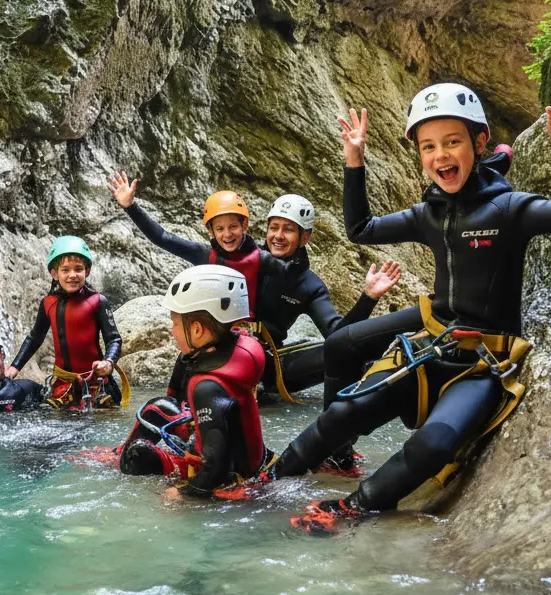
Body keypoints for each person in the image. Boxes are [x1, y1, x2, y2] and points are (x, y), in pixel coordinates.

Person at [278, 87, 551, 533]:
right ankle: (271, 478)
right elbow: (360, 229)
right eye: (428, 146)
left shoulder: (511, 209)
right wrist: (354, 159)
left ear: (479, 142)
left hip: (483, 359)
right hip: (432, 344)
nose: (441, 155)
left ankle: (351, 508)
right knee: (342, 412)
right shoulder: (429, 215)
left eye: (452, 141)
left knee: (434, 442)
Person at [118, 265, 271, 497]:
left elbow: (216, 465)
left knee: (135, 456)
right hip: (249, 458)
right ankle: (116, 453)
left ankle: (119, 458)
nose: (172, 331)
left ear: (197, 329)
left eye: (175, 324)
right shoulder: (235, 344)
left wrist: (184, 493)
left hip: (230, 477)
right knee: (158, 408)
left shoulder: (207, 387)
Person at [254, 193, 402, 400]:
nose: (278, 235)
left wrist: (368, 297)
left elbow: (337, 336)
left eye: (288, 229)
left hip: (270, 366)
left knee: (342, 353)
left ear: (304, 237)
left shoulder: (309, 285)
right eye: (274, 227)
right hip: (224, 352)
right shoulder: (245, 258)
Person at [108, 173, 283, 317]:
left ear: (244, 226)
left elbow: (297, 276)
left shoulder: (263, 258)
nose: (227, 234)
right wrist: (130, 206)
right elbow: (162, 238)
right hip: (216, 333)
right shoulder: (205, 254)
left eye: (233, 227)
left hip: (251, 334)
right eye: (220, 228)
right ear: (211, 231)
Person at [7, 236, 125, 409]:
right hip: (64, 381)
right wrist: (15, 366)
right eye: (65, 270)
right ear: (55, 274)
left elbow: (114, 339)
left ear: (87, 271)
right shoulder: (48, 303)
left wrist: (108, 362)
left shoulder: (97, 302)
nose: (72, 275)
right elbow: (35, 337)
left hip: (95, 379)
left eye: (78, 269)